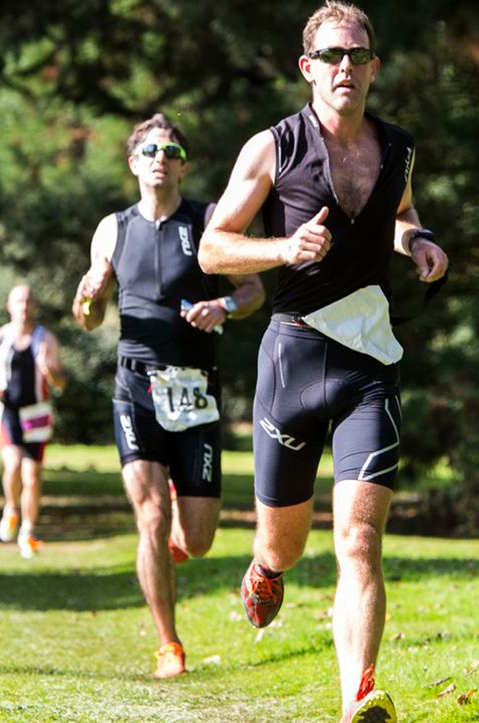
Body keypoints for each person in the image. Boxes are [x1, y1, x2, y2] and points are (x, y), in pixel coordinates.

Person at [198, 2, 448, 721]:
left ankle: (358, 697)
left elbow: (403, 213)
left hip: (372, 362)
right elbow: (214, 246)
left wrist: (417, 241)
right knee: (287, 544)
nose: (347, 67)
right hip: (293, 360)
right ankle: (267, 566)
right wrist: (282, 250)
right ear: (308, 68)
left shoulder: (397, 148)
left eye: (358, 55)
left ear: (373, 66)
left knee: (361, 536)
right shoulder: (272, 147)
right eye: (333, 55)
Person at [72, 113, 265, 679]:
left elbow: (253, 289)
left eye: (171, 149)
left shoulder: (208, 221)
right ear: (134, 162)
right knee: (151, 517)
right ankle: (168, 645)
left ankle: (171, 546)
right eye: (151, 149)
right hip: (135, 387)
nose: (161, 156)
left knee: (199, 540)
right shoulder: (112, 228)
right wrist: (88, 302)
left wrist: (222, 306)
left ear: (183, 164)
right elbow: (90, 316)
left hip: (196, 390)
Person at [0, 284, 67, 559]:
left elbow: (61, 383)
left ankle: (28, 531)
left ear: (34, 306)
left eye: (28, 301)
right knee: (12, 466)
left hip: (37, 413)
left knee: (32, 475)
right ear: (9, 306)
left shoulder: (45, 339)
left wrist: (51, 374)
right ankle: (11, 509)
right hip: (9, 412)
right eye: (18, 301)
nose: (23, 306)